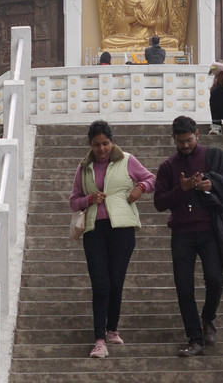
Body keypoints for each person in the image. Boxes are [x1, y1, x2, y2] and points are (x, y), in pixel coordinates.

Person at [154, 115, 223, 358]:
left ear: (197, 134)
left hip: (210, 231)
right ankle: (194, 338)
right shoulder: (167, 166)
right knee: (184, 287)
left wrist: (212, 184)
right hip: (181, 233)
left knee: (215, 280)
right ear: (173, 138)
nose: (185, 145)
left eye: (188, 140)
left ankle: (208, 317)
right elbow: (159, 203)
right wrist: (181, 189)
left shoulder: (214, 157)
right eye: (180, 141)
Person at [69, 120, 157, 359]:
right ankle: (99, 339)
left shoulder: (127, 160)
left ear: (112, 141)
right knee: (100, 283)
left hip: (122, 229)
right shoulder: (84, 167)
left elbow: (151, 179)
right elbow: (73, 201)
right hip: (94, 230)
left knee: (116, 281)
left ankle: (112, 329)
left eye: (105, 143)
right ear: (90, 144)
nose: (102, 149)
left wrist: (140, 187)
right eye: (96, 144)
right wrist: (89, 200)